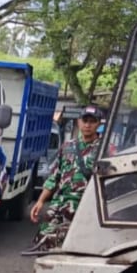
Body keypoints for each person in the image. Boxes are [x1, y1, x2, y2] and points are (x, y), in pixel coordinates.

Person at [24, 104, 105, 254]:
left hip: (85, 207)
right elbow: (54, 176)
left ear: (99, 124)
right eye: (84, 120)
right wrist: (40, 201)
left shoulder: (104, 150)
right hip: (59, 205)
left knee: (77, 248)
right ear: (78, 122)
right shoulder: (68, 146)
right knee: (43, 245)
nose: (87, 125)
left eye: (92, 121)